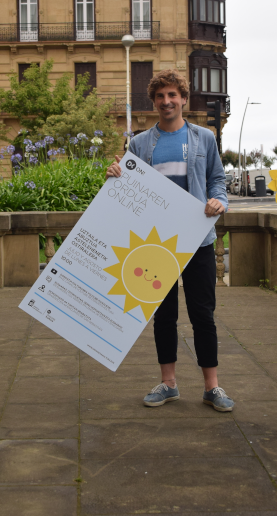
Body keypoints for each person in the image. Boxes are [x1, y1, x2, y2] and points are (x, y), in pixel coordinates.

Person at [105, 70, 233, 412]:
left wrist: (219, 201)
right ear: (154, 102)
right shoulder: (140, 143)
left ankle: (212, 387)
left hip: (198, 241)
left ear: (183, 99)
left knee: (202, 314)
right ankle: (169, 383)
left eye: (173, 95)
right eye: (160, 97)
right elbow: (127, 190)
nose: (167, 102)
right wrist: (115, 176)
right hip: (155, 244)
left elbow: (217, 181)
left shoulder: (204, 139)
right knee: (163, 316)